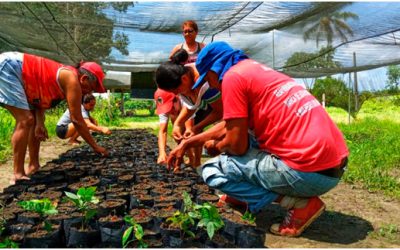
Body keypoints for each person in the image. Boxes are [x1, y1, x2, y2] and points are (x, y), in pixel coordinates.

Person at [164, 41, 349, 237]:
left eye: (207, 78)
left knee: (212, 170)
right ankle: (241, 197)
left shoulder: (232, 79)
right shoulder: (254, 70)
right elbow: (230, 124)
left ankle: (300, 204)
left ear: (214, 69)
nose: (209, 83)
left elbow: (237, 145)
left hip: (308, 173)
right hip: (332, 167)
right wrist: (191, 142)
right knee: (247, 142)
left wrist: (217, 146)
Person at [0, 52, 109, 184]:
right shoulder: (72, 79)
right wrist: (95, 147)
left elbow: (38, 100)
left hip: (22, 74)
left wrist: (40, 123)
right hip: (10, 67)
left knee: (33, 123)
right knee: (25, 120)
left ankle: (33, 166)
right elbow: (77, 119)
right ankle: (18, 173)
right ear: (84, 78)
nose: (90, 93)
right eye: (91, 88)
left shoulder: (67, 76)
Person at [155, 49, 223, 169]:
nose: (177, 94)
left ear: (184, 80)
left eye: (176, 91)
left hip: (247, 111)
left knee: (219, 145)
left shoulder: (205, 82)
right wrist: (178, 123)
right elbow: (191, 104)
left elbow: (219, 112)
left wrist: (197, 127)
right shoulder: (184, 75)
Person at [154, 88, 196, 166]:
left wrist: (180, 150)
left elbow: (188, 130)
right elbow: (162, 131)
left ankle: (193, 159)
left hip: (200, 108)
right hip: (180, 110)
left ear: (176, 99)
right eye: (167, 110)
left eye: (171, 108)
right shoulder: (162, 105)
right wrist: (162, 153)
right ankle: (185, 159)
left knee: (192, 133)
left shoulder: (186, 101)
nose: (170, 112)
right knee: (178, 134)